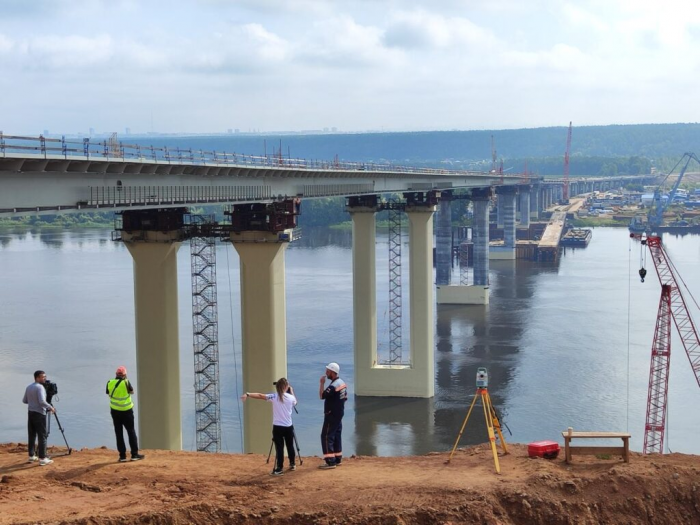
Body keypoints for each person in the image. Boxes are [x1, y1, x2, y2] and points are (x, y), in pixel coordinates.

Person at [241, 378, 297, 476]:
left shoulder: (274, 397)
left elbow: (260, 395)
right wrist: (291, 391)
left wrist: (248, 394)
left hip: (278, 427)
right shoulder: (291, 397)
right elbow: (295, 402)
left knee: (279, 448)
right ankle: (292, 464)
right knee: (290, 445)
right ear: (286, 387)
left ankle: (279, 468)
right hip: (288, 426)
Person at [106, 366, 145, 463]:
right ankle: (134, 454)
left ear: (116, 374)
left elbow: (108, 392)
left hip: (115, 411)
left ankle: (122, 456)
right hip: (127, 411)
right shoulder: (126, 382)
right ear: (125, 375)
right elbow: (132, 391)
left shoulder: (110, 382)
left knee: (118, 433)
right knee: (131, 432)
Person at [22, 370, 55, 466]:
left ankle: (31, 456)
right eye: (42, 377)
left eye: (45, 376)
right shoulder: (40, 387)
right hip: (39, 414)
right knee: (42, 436)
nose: (44, 378)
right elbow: (41, 402)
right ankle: (42, 458)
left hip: (30, 413)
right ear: (37, 378)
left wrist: (33, 402)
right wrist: (50, 407)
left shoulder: (29, 387)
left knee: (31, 435)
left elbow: (24, 400)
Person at [319, 362, 347, 469]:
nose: (326, 373)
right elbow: (344, 398)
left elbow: (322, 396)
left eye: (328, 371)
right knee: (336, 435)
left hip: (331, 414)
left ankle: (330, 461)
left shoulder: (333, 386)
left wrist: (322, 383)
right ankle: (337, 457)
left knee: (326, 436)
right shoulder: (342, 383)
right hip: (339, 414)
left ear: (333, 372)